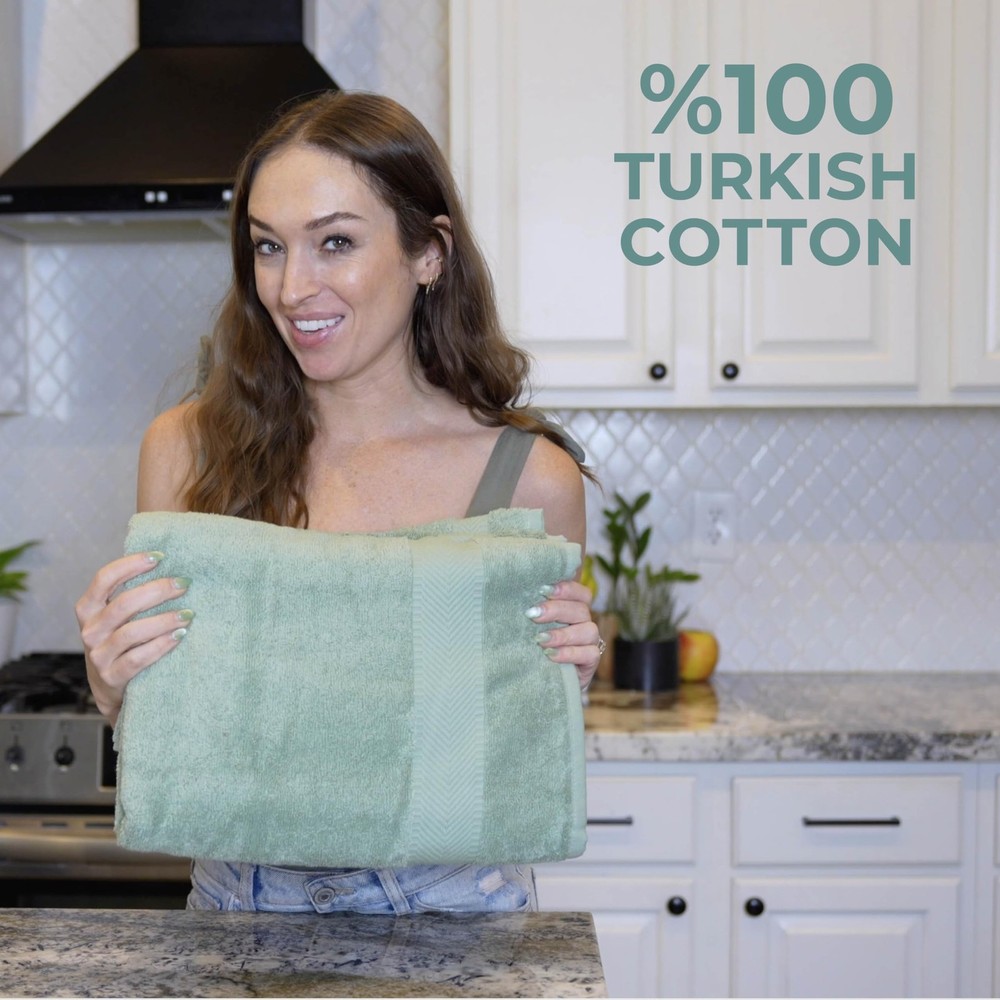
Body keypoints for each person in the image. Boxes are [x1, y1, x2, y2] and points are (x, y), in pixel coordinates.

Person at [74, 90, 602, 915]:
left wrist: (565, 686)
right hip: (240, 904)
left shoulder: (530, 480)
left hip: (456, 907)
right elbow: (177, 738)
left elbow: (510, 759)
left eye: (336, 243)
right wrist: (114, 689)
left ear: (429, 254)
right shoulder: (186, 451)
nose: (293, 287)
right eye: (269, 247)